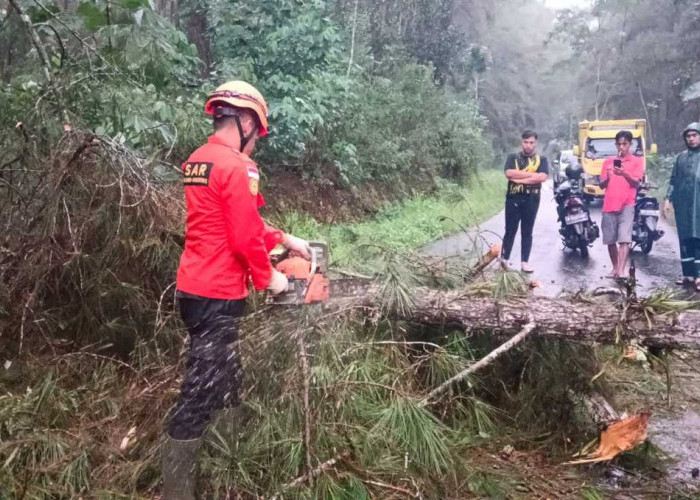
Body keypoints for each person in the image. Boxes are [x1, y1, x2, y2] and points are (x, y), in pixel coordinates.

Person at [162, 81, 312, 500]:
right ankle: (178, 491)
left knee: (228, 377)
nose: (255, 147)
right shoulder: (239, 167)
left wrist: (286, 240)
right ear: (246, 121)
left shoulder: (199, 160)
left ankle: (231, 456)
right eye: (256, 136)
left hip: (193, 290)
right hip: (218, 295)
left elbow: (229, 218)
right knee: (199, 391)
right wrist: (272, 279)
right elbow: (244, 236)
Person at [501, 130, 549, 273]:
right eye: (526, 142)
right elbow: (509, 173)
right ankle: (504, 259)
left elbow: (542, 177)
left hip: (532, 199)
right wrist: (532, 176)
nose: (528, 145)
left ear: (536, 143)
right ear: (521, 142)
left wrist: (520, 178)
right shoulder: (512, 157)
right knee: (510, 230)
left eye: (531, 142)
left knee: (527, 231)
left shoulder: (542, 160)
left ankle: (524, 262)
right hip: (513, 198)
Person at [599, 130, 645, 279]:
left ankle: (621, 270)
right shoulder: (608, 162)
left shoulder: (637, 161)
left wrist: (624, 173)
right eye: (619, 144)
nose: (621, 147)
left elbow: (637, 183)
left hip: (627, 203)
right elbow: (601, 184)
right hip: (609, 204)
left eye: (625, 144)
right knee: (610, 239)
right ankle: (614, 267)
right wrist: (608, 177)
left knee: (624, 238)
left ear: (630, 144)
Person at [663, 122, 700, 290]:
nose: (691, 139)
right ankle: (688, 274)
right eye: (688, 136)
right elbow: (673, 180)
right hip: (683, 205)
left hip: (698, 205)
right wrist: (667, 199)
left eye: (694, 135)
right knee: (685, 238)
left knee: (698, 237)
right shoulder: (681, 158)